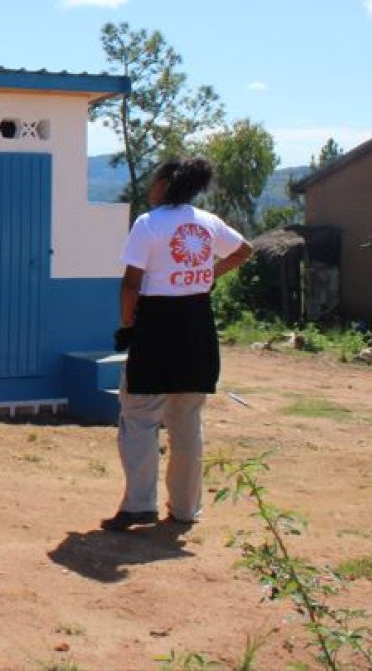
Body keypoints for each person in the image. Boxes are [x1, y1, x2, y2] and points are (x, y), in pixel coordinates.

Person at [101, 156, 252, 532]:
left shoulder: (148, 224)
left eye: (156, 180)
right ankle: (185, 509)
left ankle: (139, 505)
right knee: (186, 421)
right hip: (197, 326)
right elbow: (244, 249)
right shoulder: (207, 222)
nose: (151, 186)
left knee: (139, 417)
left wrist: (126, 323)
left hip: (157, 325)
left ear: (166, 184)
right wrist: (208, 274)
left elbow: (132, 282)